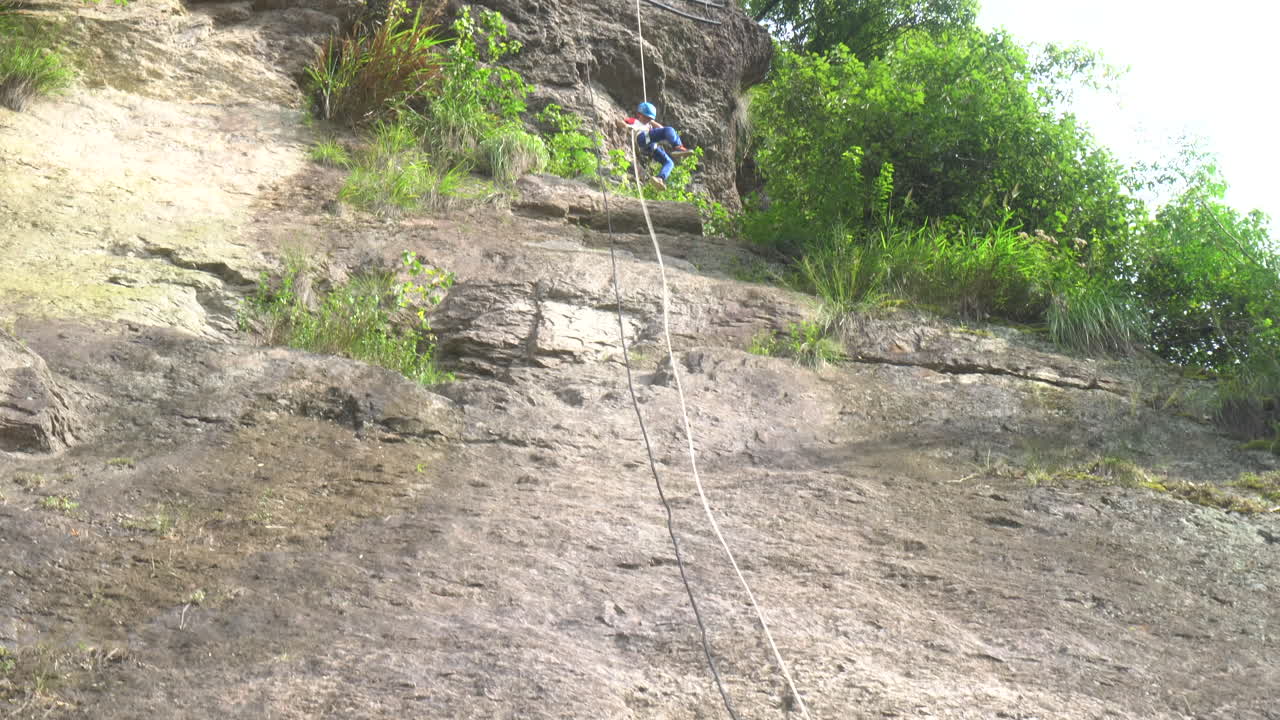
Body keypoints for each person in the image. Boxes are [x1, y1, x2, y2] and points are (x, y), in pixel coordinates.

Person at [621, 102, 692, 190]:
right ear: (639, 114)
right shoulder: (635, 121)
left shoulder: (649, 125)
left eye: (649, 118)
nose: (647, 120)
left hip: (650, 148)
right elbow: (622, 121)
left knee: (669, 162)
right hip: (642, 138)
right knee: (669, 129)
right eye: (646, 117)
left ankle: (660, 178)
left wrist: (651, 121)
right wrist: (626, 126)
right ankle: (678, 147)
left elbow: (661, 128)